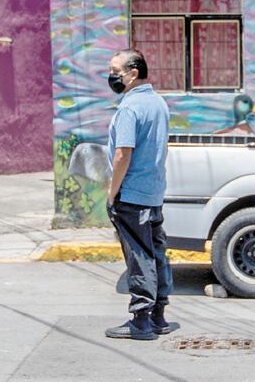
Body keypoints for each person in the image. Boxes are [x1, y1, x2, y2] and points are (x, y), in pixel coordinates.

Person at [104, 49, 173, 340]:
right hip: (154, 193)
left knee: (138, 256)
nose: (111, 77)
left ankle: (141, 320)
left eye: (115, 71)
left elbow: (123, 154)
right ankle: (158, 315)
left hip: (132, 195)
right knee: (156, 253)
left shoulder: (129, 109)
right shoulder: (158, 103)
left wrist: (112, 193)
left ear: (133, 74)